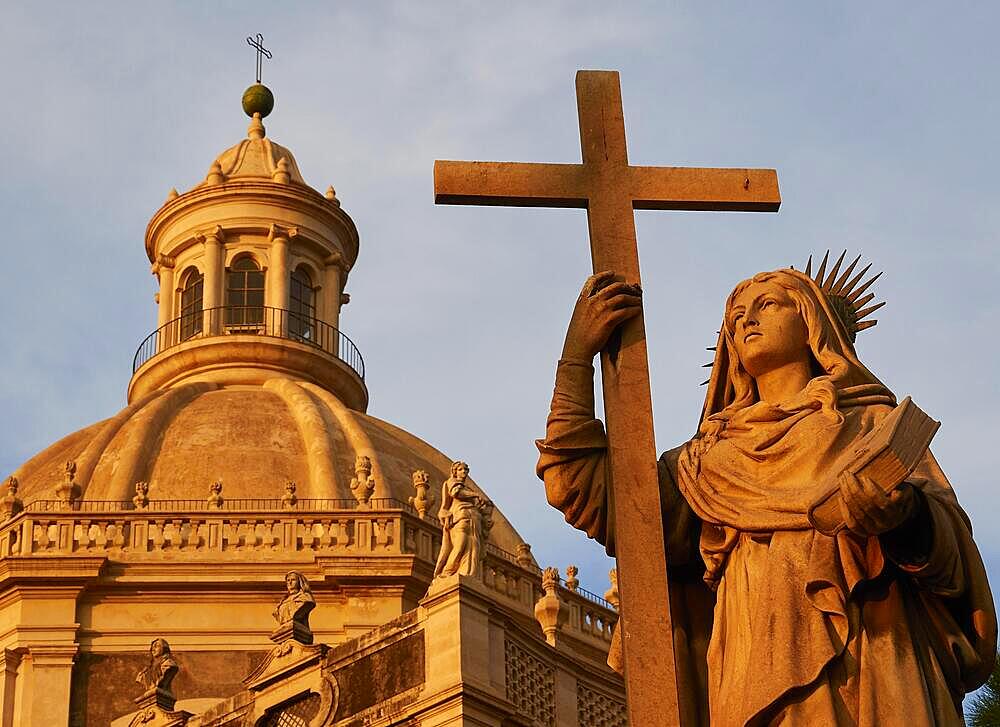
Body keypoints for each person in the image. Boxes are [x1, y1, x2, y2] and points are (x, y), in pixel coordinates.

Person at [537, 267, 996, 726]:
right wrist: (577, 358)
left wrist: (906, 518)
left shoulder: (872, 426)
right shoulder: (705, 463)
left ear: (811, 322)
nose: (746, 321)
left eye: (768, 305)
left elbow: (955, 555)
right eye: (735, 318)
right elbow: (589, 491)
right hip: (753, 663)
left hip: (876, 652)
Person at [433, 461, 492, 579]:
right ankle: (447, 573)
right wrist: (475, 495)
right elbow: (456, 493)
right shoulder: (452, 483)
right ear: (454, 472)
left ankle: (468, 575)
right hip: (460, 517)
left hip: (474, 519)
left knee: (474, 548)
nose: (463, 472)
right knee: (460, 545)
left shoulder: (468, 489)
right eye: (460, 469)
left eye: (465, 470)